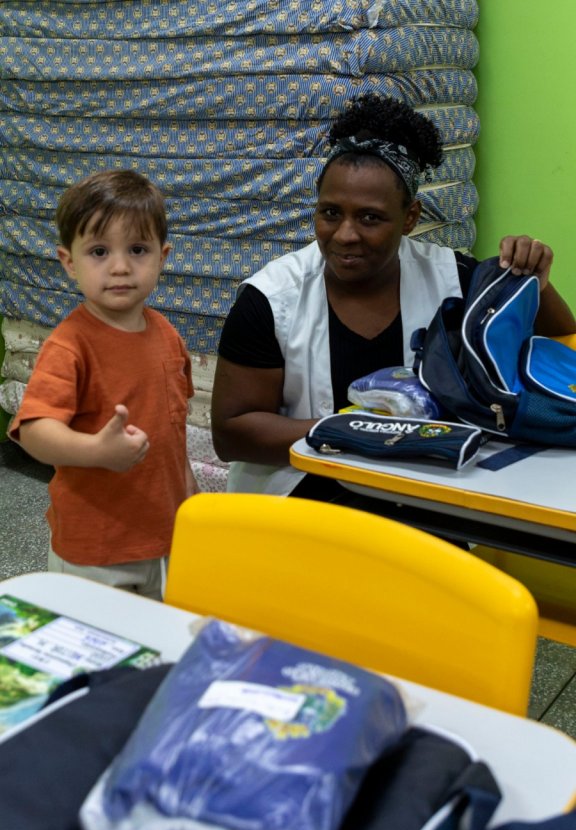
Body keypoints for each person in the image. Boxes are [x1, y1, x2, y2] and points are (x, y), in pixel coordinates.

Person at [211, 94, 576, 502]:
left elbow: (561, 347)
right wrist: (361, 434)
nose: (345, 234)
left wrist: (536, 283)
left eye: (370, 218)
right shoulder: (270, 299)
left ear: (410, 218)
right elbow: (231, 433)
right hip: (306, 496)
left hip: (420, 491)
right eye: (330, 213)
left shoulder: (452, 278)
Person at [10, 169, 196, 600]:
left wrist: (190, 500)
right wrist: (97, 451)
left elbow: (173, 434)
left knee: (152, 633)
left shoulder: (168, 335)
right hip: (94, 548)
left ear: (163, 257)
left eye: (138, 249)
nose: (120, 267)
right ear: (69, 263)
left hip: (162, 536)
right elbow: (34, 430)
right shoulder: (69, 346)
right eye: (99, 251)